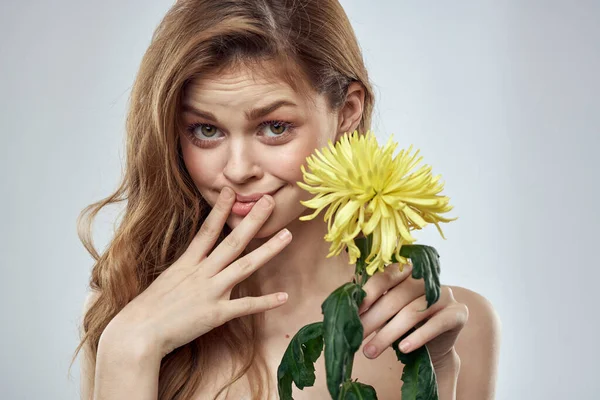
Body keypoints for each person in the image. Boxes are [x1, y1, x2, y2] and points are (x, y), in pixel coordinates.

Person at [71, 1, 501, 399]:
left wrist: (437, 371)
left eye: (274, 127)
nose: (238, 169)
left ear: (347, 112)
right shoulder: (126, 310)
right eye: (206, 130)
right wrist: (129, 351)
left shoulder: (457, 327)